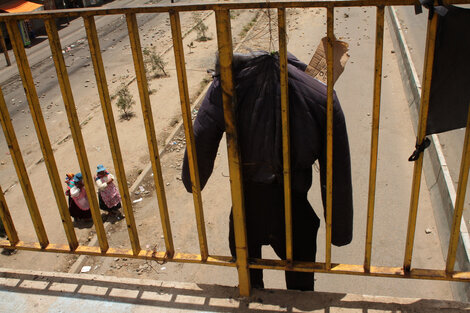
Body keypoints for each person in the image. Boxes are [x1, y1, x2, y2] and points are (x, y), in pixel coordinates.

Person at [182, 52, 353, 291]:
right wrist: (340, 229)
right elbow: (337, 168)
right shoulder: (319, 93)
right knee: (300, 290)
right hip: (295, 208)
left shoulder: (229, 85)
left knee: (249, 285)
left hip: (247, 208)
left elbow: (201, 135)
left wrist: (193, 178)